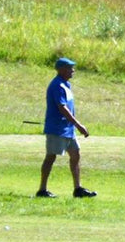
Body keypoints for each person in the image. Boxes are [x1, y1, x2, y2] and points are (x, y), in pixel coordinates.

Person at [37, 57, 95, 199]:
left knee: (76, 154)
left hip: (68, 129)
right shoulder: (57, 85)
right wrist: (78, 125)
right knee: (50, 157)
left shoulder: (66, 85)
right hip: (57, 128)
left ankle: (77, 188)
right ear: (61, 69)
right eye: (70, 68)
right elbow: (62, 107)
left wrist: (73, 126)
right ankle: (42, 190)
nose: (73, 71)